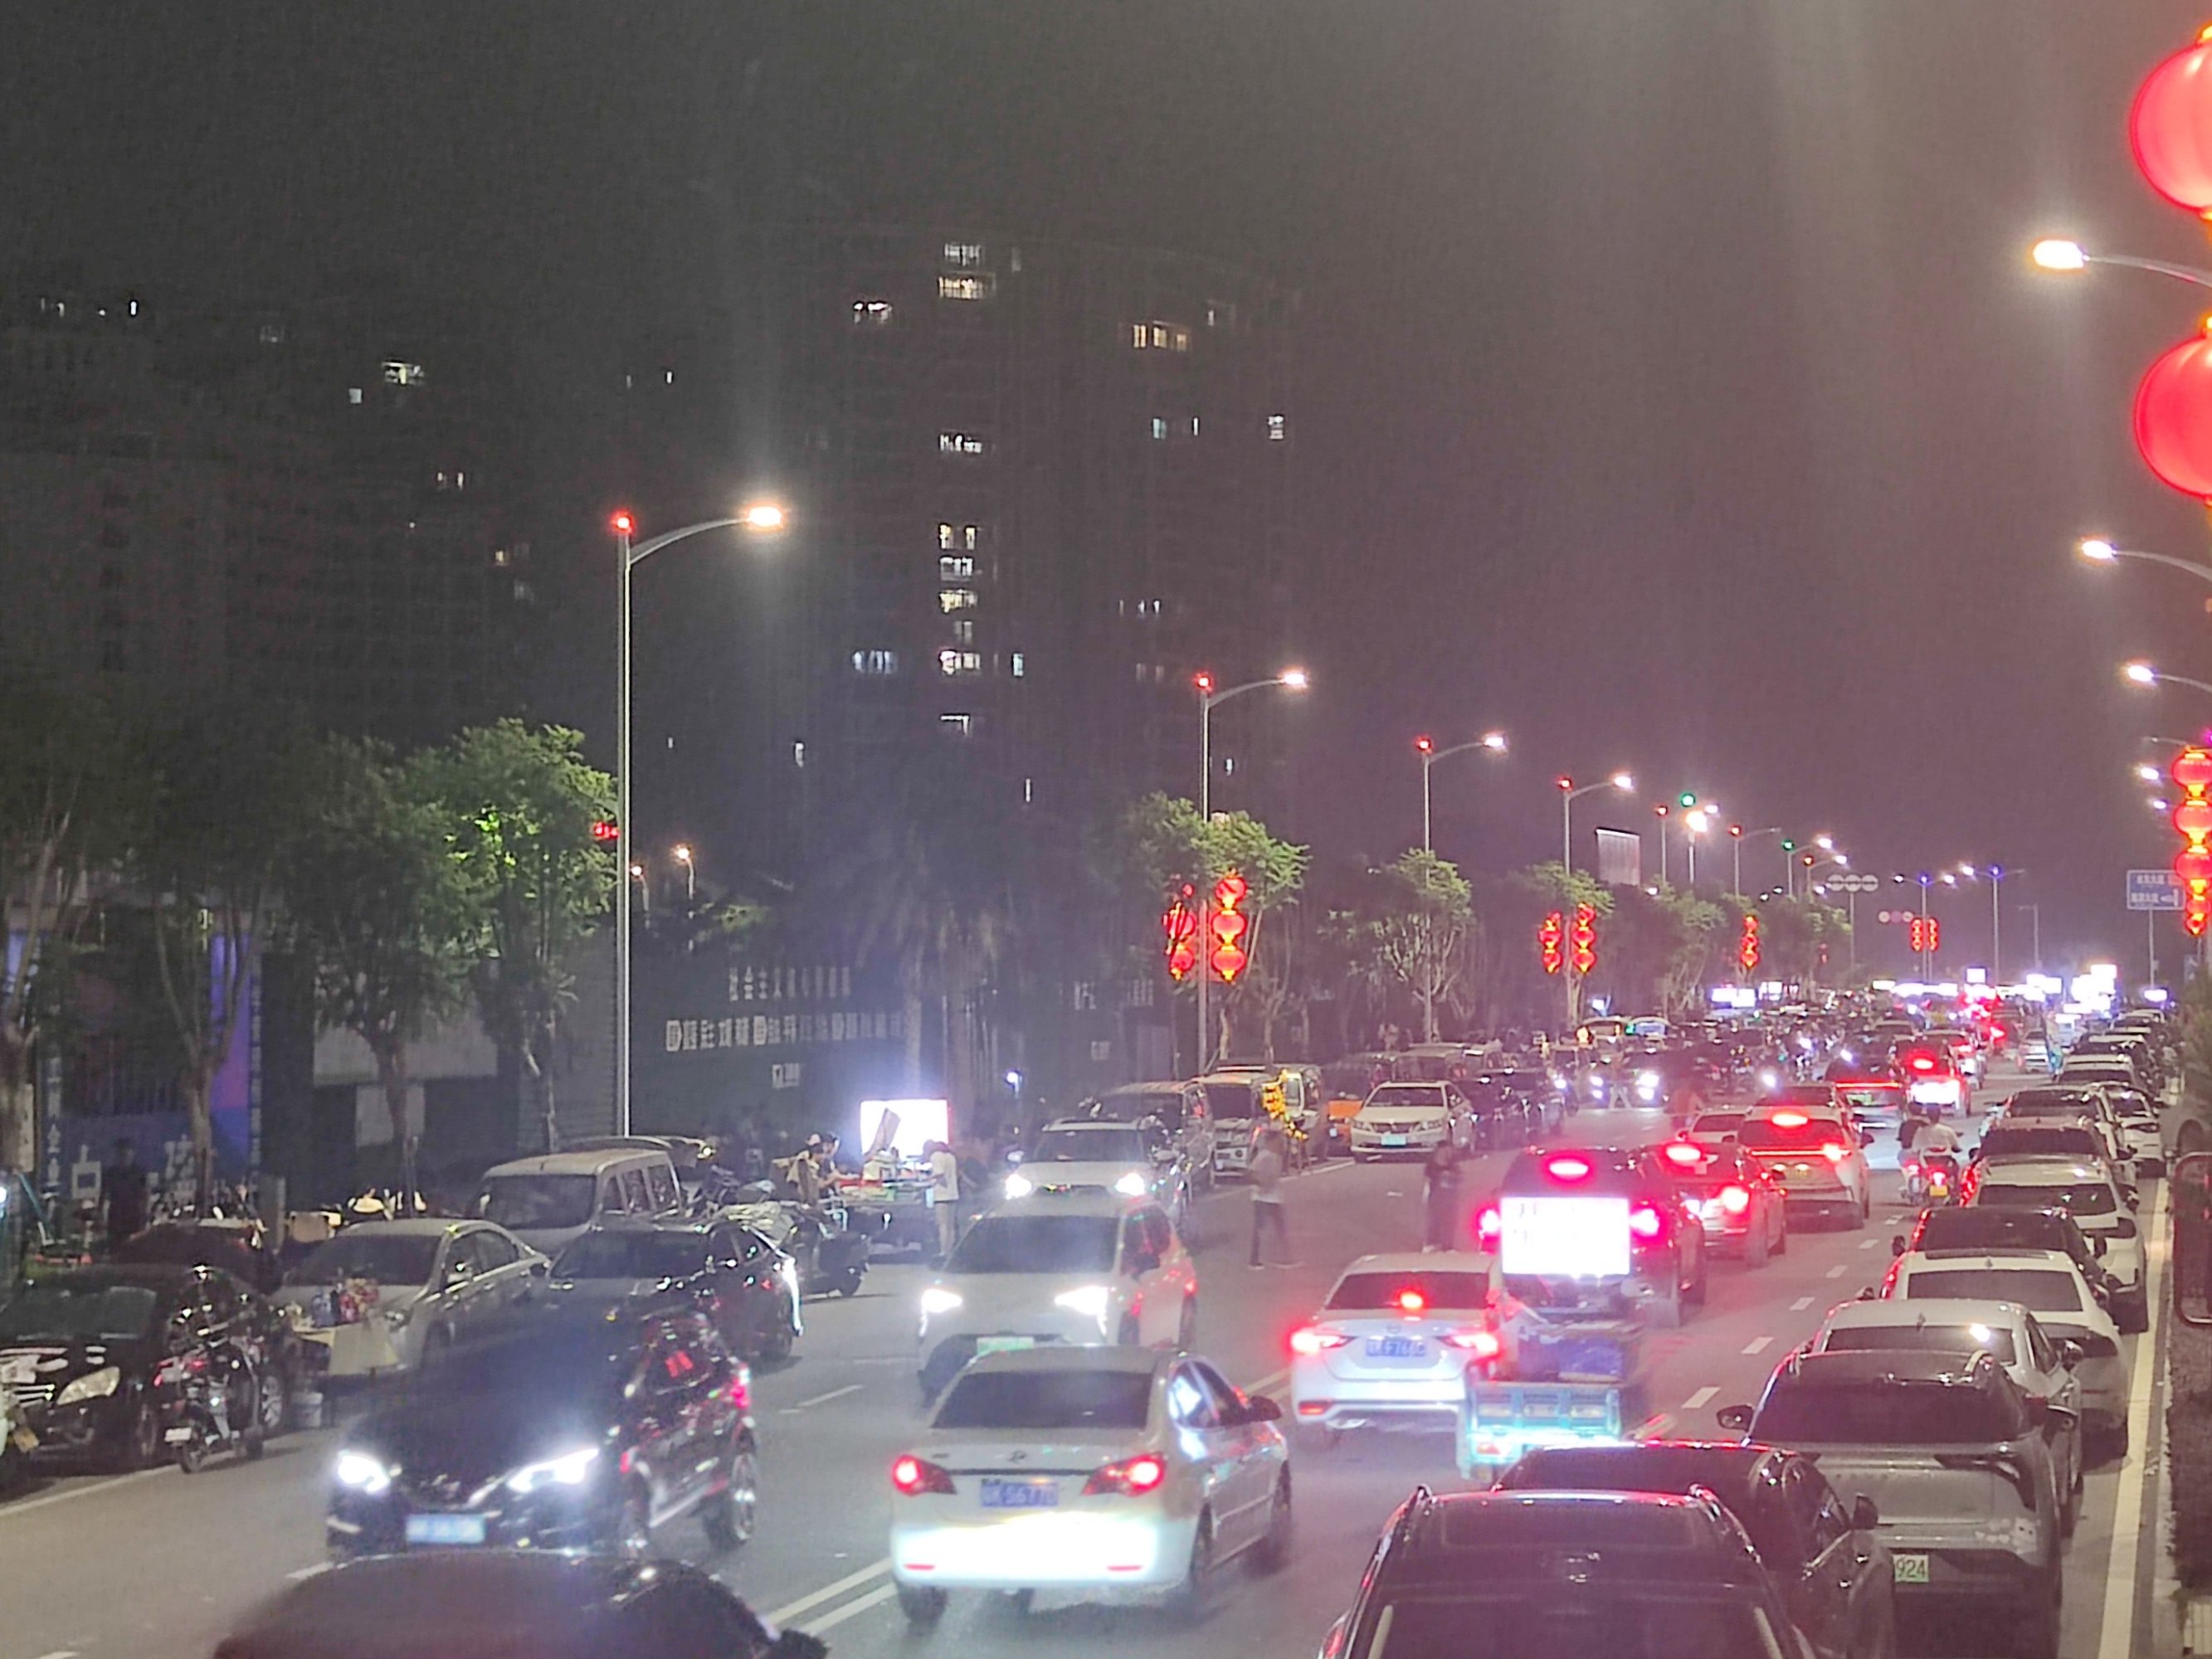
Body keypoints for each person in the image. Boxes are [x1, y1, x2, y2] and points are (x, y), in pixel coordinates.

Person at [1249, 1129, 1294, 1267]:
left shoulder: (1276, 1156)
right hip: (1262, 1197)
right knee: (1261, 1229)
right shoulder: (1264, 1156)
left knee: (1279, 1228)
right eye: (1279, 1141)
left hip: (1274, 1197)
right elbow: (1252, 1173)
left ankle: (1284, 1258)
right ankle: (1255, 1260)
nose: (1282, 1144)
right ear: (1271, 1142)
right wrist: (1262, 1184)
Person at [101, 1137, 149, 1246]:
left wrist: (145, 1213)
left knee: (135, 1244)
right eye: (121, 1154)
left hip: (134, 1212)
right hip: (116, 1213)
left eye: (127, 1153)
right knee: (115, 1244)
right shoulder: (110, 1173)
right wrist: (100, 1215)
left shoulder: (139, 1172)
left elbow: (146, 1193)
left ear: (132, 1154)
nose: (124, 1157)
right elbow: (103, 1194)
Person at [1422, 1140, 1462, 1252]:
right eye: (1445, 1150)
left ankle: (1447, 1246)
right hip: (1437, 1196)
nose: (1448, 1152)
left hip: (1450, 1196)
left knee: (1450, 1221)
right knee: (1435, 1220)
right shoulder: (1433, 1166)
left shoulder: (1452, 1165)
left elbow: (1459, 1177)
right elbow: (1429, 1179)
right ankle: (1432, 1243)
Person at [928, 1139, 962, 1262]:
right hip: (953, 1194)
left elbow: (939, 1173)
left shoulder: (935, 1156)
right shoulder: (951, 1157)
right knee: (951, 1226)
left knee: (942, 1225)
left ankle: (943, 1252)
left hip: (941, 1195)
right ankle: (950, 1251)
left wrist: (927, 1178)